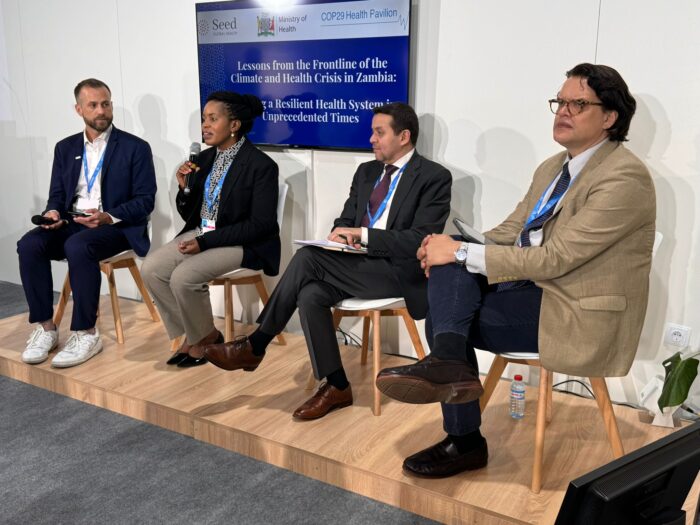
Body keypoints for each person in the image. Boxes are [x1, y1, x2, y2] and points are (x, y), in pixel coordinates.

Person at [375, 63, 656, 477]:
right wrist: (448, 247)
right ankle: (451, 375)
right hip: (534, 289)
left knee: (447, 306)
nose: (563, 110)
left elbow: (556, 258)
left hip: (576, 311)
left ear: (610, 117)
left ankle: (464, 435)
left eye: (578, 103)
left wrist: (457, 254)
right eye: (559, 101)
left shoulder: (624, 177)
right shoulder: (553, 167)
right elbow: (513, 230)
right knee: (452, 271)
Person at [202, 102, 452, 419]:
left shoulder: (433, 177)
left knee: (307, 258)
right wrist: (339, 235)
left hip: (399, 272)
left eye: (379, 132)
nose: (371, 139)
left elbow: (420, 238)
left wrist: (363, 235)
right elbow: (346, 218)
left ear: (404, 136)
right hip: (355, 263)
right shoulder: (367, 172)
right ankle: (336, 386)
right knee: (311, 293)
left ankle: (256, 344)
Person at [17, 78, 156, 368]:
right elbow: (57, 196)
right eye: (93, 105)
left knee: (78, 246)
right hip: (73, 222)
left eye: (105, 104)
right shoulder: (65, 148)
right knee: (30, 244)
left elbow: (145, 201)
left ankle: (86, 332)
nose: (101, 110)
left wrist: (107, 216)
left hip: (116, 227)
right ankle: (46, 328)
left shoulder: (135, 147)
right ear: (79, 109)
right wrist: (53, 213)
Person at [141, 92, 279, 367]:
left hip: (242, 243)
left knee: (184, 276)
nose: (205, 125)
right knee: (152, 269)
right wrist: (184, 189)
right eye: (204, 119)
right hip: (204, 233)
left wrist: (205, 242)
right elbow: (191, 215)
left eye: (213, 119)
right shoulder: (204, 159)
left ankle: (199, 341)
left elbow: (260, 225)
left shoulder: (261, 166)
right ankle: (203, 336)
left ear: (234, 125)